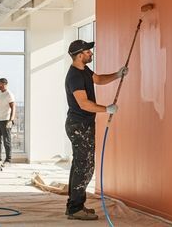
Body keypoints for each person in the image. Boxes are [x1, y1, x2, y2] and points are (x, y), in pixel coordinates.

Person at [63, 40, 127, 221]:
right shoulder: (74, 76)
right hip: (79, 126)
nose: (91, 54)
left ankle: (74, 206)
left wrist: (117, 74)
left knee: (79, 166)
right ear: (79, 55)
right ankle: (75, 209)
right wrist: (106, 109)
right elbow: (83, 104)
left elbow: (98, 79)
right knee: (85, 167)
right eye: (88, 52)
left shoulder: (83, 71)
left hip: (83, 125)